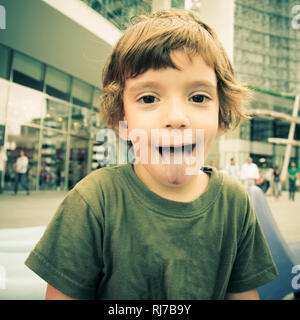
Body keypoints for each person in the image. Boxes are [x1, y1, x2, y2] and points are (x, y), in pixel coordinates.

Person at [25, 9, 278, 300]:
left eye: (198, 97)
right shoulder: (93, 202)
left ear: (221, 117)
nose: (175, 117)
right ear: (123, 119)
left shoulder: (235, 204)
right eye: (148, 98)